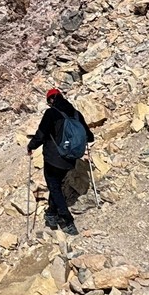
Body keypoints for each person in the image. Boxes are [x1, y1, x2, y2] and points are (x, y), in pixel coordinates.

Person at [26, 87, 94, 235]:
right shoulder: (76, 114)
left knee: (54, 187)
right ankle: (51, 213)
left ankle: (67, 220)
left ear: (51, 100)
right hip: (70, 159)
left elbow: (41, 134)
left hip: (53, 158)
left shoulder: (51, 113)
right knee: (56, 186)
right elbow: (89, 136)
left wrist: (31, 146)